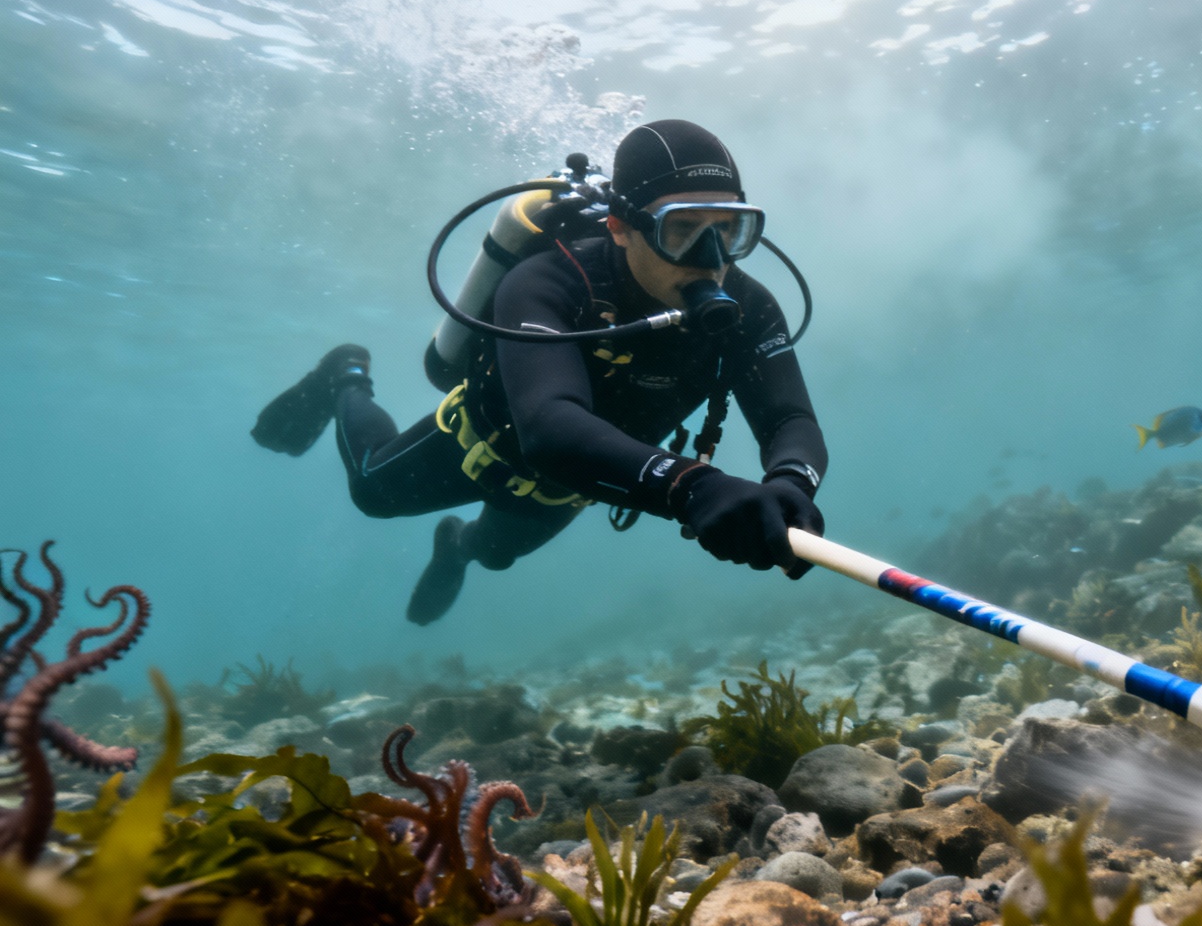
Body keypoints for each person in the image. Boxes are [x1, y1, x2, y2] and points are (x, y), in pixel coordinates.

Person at [251, 119, 827, 624]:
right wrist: (691, 486)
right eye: (682, 230)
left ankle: (455, 547)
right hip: (479, 444)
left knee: (496, 554)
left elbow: (788, 415)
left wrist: (791, 485)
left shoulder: (749, 306)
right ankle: (347, 374)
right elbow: (549, 425)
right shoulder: (550, 281)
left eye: (728, 229)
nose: (713, 259)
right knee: (372, 491)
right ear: (620, 227)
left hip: (571, 487)